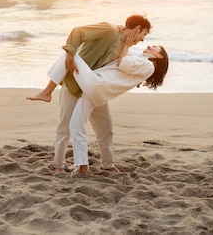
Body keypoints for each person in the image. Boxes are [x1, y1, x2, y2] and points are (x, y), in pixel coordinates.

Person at [27, 15, 152, 173]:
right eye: (144, 34)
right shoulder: (109, 29)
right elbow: (78, 32)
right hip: (74, 81)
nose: (142, 40)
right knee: (65, 126)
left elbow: (122, 68)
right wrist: (70, 56)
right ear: (137, 29)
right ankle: (58, 165)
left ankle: (108, 165)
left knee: (105, 128)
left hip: (94, 88)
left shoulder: (125, 46)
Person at [48, 37, 169, 176]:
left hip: (95, 84)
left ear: (159, 56)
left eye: (154, 47)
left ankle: (47, 90)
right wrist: (123, 40)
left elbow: (123, 63)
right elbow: (120, 58)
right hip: (99, 91)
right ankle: (86, 165)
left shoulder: (148, 66)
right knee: (81, 125)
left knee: (69, 54)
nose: (149, 46)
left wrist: (127, 45)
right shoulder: (141, 62)